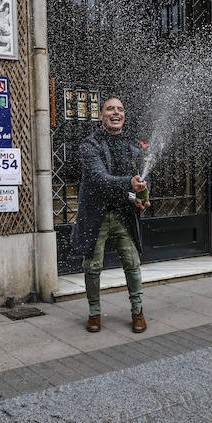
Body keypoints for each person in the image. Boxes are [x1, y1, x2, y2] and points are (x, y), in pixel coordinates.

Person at [71, 95, 148, 334]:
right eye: (110, 109)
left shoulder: (133, 145)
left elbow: (142, 179)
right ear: (101, 115)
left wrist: (142, 196)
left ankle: (138, 311)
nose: (116, 113)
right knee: (92, 267)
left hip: (123, 214)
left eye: (120, 109)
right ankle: (94, 313)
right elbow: (99, 179)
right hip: (97, 215)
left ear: (124, 115)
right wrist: (130, 183)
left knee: (132, 264)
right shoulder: (89, 145)